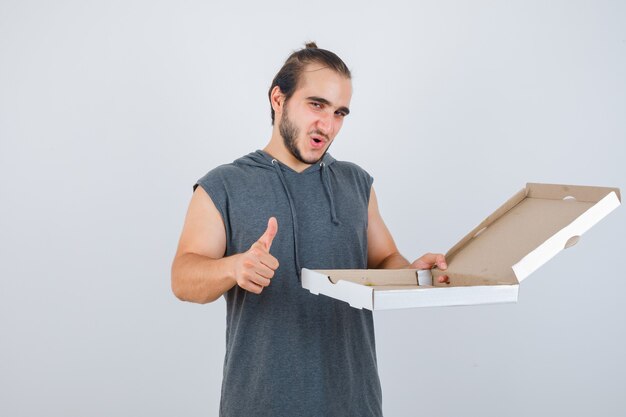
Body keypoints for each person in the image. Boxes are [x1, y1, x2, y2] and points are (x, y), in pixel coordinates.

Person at [171, 42, 449, 417]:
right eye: (316, 105)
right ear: (278, 99)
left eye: (340, 112)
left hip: (355, 405)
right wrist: (234, 267)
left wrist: (414, 274)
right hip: (259, 406)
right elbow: (183, 277)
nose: (328, 124)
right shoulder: (223, 185)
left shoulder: (356, 184)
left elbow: (384, 260)